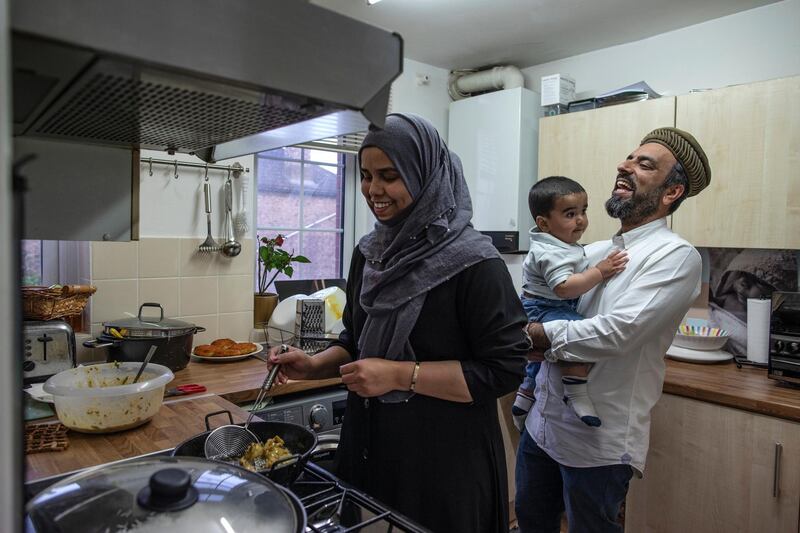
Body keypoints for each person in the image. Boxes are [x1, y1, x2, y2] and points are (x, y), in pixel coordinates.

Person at [268, 113, 529, 533]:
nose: (373, 190)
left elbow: (504, 369)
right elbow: (356, 340)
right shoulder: (370, 254)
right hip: (370, 447)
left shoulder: (476, 264)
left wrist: (398, 374)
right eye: (366, 175)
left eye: (389, 175)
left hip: (445, 464)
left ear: (426, 175)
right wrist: (314, 366)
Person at [515, 127, 712, 533]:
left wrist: (538, 336)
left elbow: (616, 333)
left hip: (597, 446)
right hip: (543, 424)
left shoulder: (675, 257)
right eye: (628, 158)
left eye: (644, 164)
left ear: (671, 193)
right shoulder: (596, 251)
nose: (625, 166)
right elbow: (548, 297)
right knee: (533, 523)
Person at [512, 176, 627, 430]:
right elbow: (563, 288)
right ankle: (577, 395)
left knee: (538, 357)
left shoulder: (561, 243)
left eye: (583, 211)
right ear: (543, 223)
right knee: (576, 336)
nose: (581, 220)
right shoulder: (550, 252)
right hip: (545, 307)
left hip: (541, 306)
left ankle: (524, 394)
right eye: (570, 214)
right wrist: (600, 271)